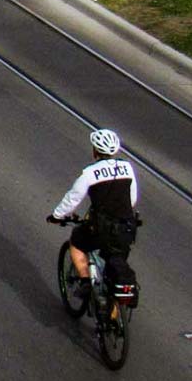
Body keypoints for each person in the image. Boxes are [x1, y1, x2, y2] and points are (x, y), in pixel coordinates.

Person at [48, 127, 140, 313]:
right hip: (126, 228)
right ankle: (114, 317)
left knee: (77, 242)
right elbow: (132, 199)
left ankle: (84, 281)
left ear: (95, 150)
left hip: (101, 229)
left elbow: (73, 198)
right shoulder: (127, 168)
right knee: (115, 264)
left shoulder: (90, 173)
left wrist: (57, 216)